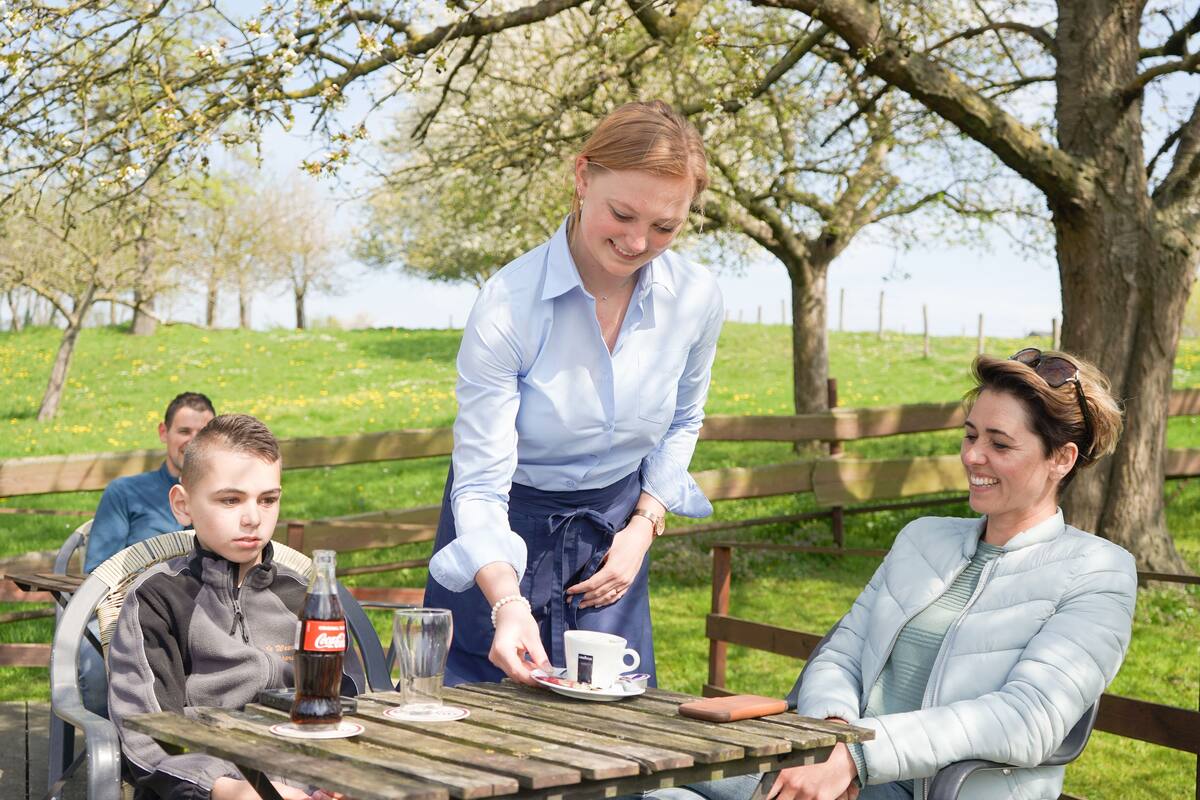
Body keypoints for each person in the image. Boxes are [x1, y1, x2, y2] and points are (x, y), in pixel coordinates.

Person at [657, 349, 1137, 800]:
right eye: (971, 436)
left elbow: (1026, 719)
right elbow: (840, 654)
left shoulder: (1099, 572)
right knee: (661, 786)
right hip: (843, 768)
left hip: (930, 789)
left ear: (1061, 459)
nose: (973, 456)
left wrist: (859, 756)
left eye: (1000, 443)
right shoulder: (922, 538)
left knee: (654, 779)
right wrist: (830, 743)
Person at [423, 100, 724, 687]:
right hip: (500, 526)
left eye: (666, 226)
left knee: (618, 744)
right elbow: (480, 482)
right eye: (622, 214)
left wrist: (642, 528)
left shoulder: (697, 298)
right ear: (582, 177)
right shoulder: (508, 305)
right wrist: (506, 604)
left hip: (614, 538)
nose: (639, 242)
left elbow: (685, 419)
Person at [107, 414, 362, 800]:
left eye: (268, 499)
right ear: (183, 505)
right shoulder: (157, 600)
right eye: (230, 499)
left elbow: (356, 703)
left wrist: (340, 780)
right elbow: (147, 730)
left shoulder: (306, 601)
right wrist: (233, 791)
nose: (253, 518)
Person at [85, 391, 216, 572]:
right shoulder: (125, 492)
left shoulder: (228, 496)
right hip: (137, 597)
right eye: (184, 431)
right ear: (164, 432)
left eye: (202, 433)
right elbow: (97, 573)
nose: (193, 442)